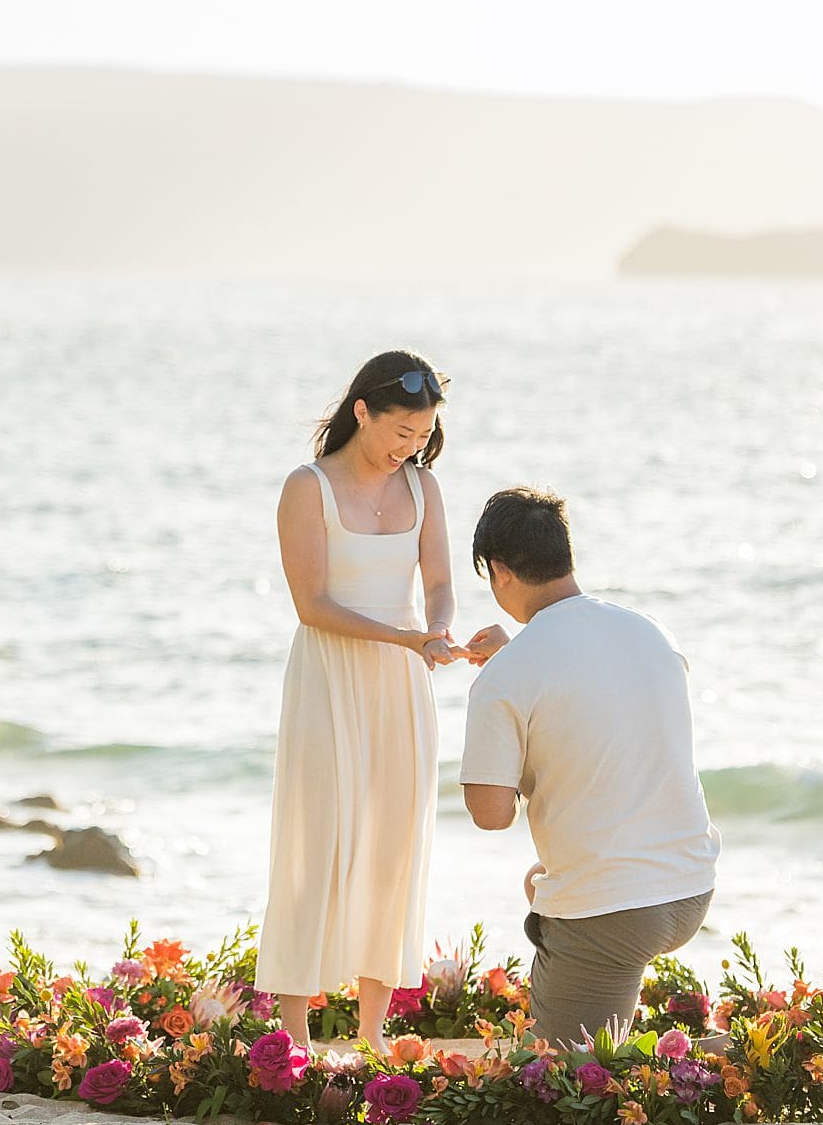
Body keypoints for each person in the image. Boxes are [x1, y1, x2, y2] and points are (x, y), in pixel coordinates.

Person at [460, 486, 720, 1048]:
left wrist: (502, 694)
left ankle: (734, 1053)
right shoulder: (650, 633)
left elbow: (490, 813)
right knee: (545, 883)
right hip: (690, 884)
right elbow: (599, 699)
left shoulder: (504, 678)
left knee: (564, 1075)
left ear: (499, 571)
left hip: (614, 909)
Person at [255, 349, 461, 1053]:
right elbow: (312, 605)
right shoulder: (305, 487)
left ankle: (372, 1034)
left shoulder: (425, 489)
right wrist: (404, 639)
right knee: (316, 843)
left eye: (422, 434)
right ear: (362, 412)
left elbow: (437, 580)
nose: (410, 447)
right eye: (400, 431)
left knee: (391, 849)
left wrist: (436, 627)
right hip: (329, 678)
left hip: (402, 687)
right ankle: (293, 1034)